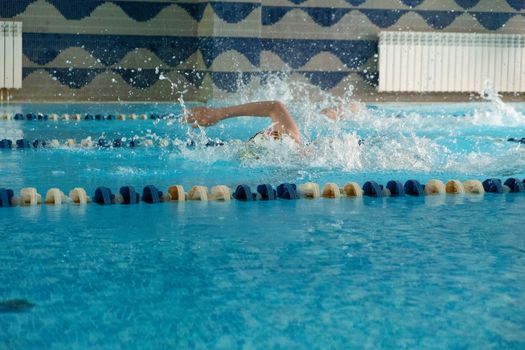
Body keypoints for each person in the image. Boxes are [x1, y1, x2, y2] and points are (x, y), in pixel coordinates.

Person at [185, 100, 362, 144]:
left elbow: (275, 106)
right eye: (270, 134)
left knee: (323, 114)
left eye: (266, 132)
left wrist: (220, 113)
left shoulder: (290, 139)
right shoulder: (292, 143)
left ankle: (339, 110)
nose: (269, 131)